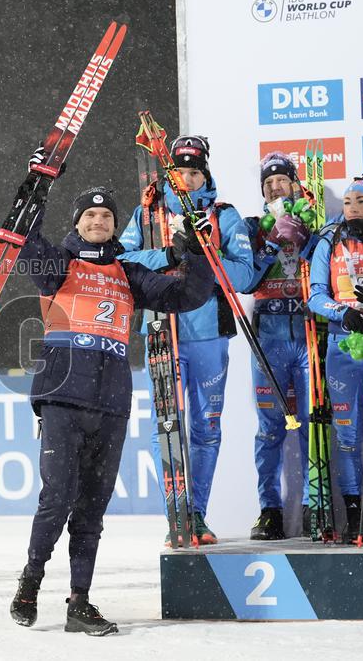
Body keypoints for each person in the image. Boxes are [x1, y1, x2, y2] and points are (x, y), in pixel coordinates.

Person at [9, 186, 214, 635]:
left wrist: (196, 249)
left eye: (106, 214)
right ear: (77, 222)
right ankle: (31, 580)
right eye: (90, 214)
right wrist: (37, 186)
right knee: (56, 498)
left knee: (91, 511)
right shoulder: (59, 264)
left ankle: (79, 602)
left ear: (114, 225)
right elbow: (23, 236)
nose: (98, 220)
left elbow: (189, 295)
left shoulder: (130, 272)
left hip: (111, 404)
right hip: (62, 398)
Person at [118, 135, 255, 544]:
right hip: (161, 328)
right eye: (179, 171)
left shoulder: (224, 216)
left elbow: (246, 277)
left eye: (194, 172)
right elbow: (121, 260)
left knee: (206, 427)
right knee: (167, 425)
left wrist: (205, 256)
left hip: (209, 332)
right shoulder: (146, 214)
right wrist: (168, 256)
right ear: (169, 174)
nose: (187, 179)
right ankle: (175, 516)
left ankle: (196, 514)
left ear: (205, 174)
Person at [308, 174, 363, 544]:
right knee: (347, 435)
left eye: (361, 201)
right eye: (347, 202)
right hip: (343, 346)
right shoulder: (330, 239)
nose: (352, 208)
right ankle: (357, 513)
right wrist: (340, 312)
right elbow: (314, 294)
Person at [243, 152, 315, 540]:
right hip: (269, 331)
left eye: (281, 181)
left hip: (305, 329)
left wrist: (305, 240)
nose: (275, 187)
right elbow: (245, 281)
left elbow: (324, 269)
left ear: (295, 183)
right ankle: (269, 510)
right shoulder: (253, 226)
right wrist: (271, 243)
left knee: (309, 427)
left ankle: (311, 506)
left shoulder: (314, 217)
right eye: (268, 184)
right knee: (269, 430)